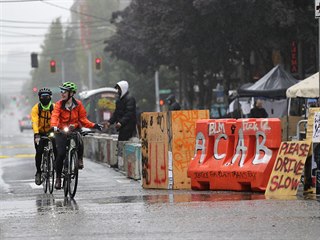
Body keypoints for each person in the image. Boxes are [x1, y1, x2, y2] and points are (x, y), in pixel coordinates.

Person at [50, 81, 103, 189]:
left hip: (74, 128)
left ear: (71, 93)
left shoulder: (78, 104)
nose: (62, 93)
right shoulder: (59, 104)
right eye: (61, 91)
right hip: (61, 130)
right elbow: (54, 116)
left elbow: (83, 119)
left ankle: (79, 158)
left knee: (79, 137)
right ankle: (59, 178)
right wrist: (54, 126)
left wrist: (94, 125)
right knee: (60, 154)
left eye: (64, 91)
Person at [31, 88, 55, 185]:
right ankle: (39, 172)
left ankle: (58, 170)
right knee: (39, 152)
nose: (45, 98)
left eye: (47, 96)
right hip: (39, 133)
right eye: (42, 96)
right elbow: (34, 121)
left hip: (51, 131)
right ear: (39, 98)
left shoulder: (54, 107)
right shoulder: (36, 108)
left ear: (50, 97)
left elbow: (58, 119)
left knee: (57, 149)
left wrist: (57, 128)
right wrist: (36, 133)